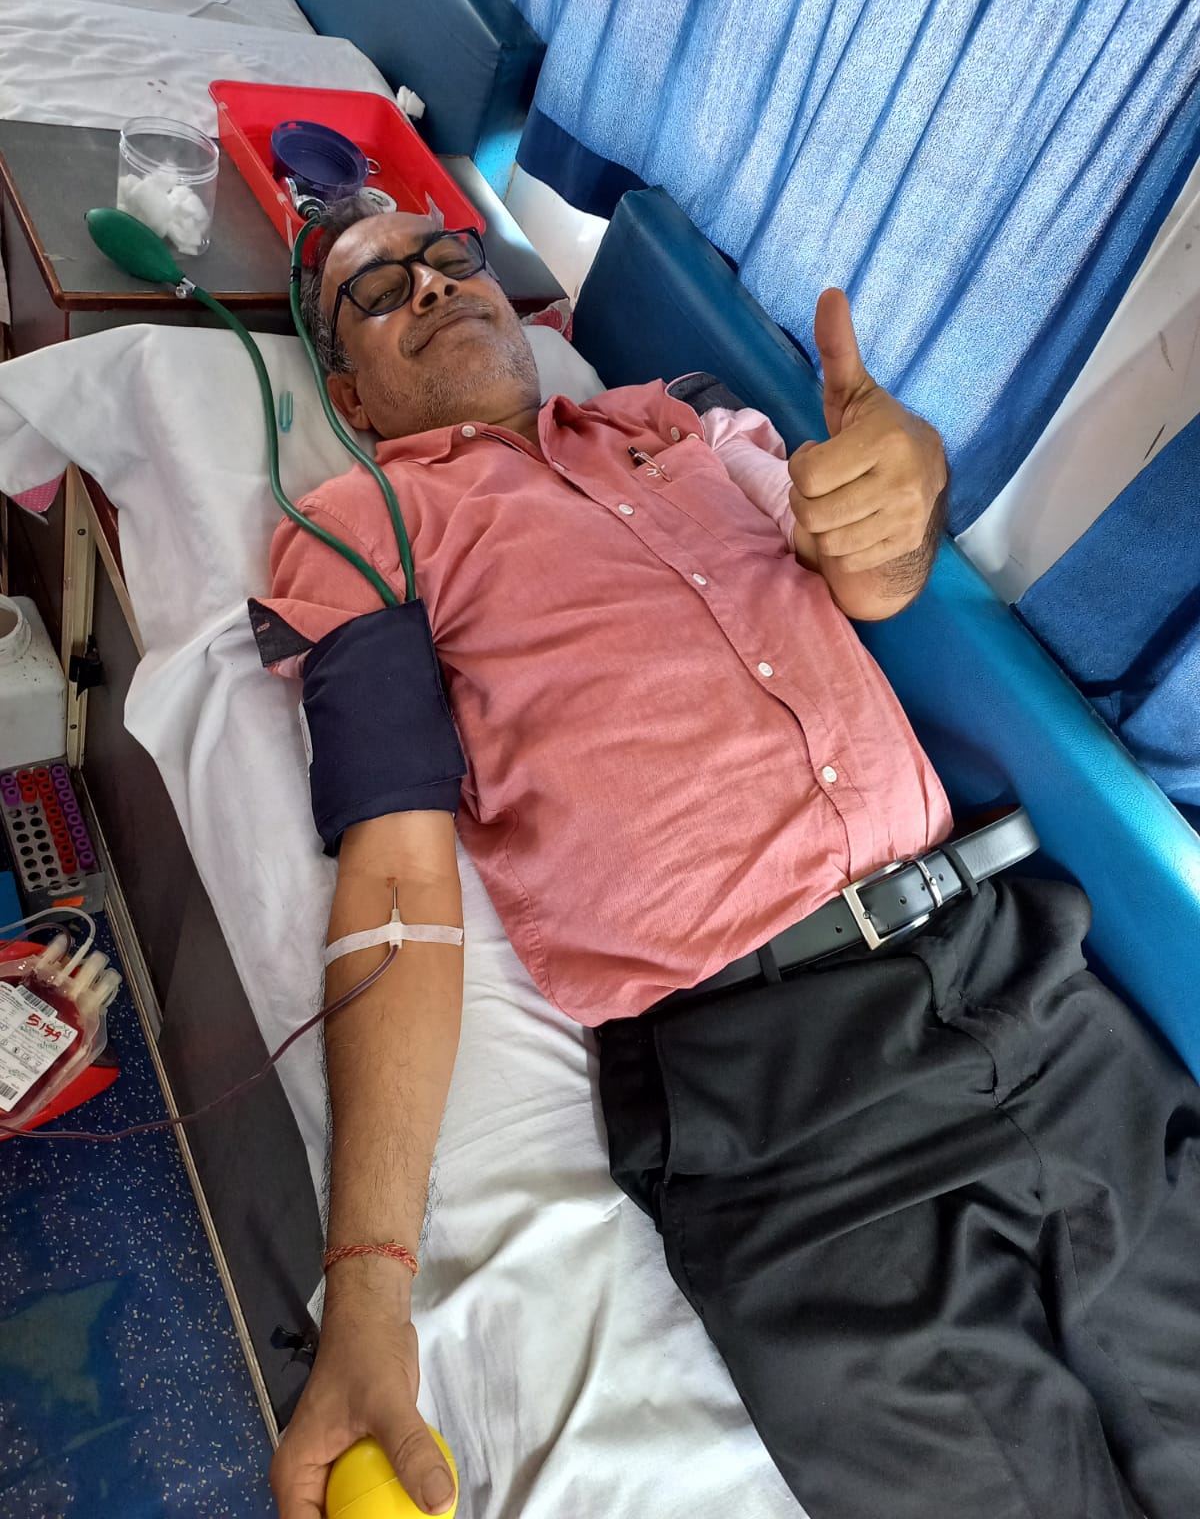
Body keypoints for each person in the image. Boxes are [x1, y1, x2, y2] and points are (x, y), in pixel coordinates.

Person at [260, 197, 1200, 1519]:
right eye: (376, 290)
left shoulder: (680, 420)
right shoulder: (365, 526)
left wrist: (904, 496)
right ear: (350, 398)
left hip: (1026, 987)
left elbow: (867, 572)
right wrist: (367, 1294)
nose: (429, 285)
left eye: (448, 258)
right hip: (778, 1112)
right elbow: (398, 880)